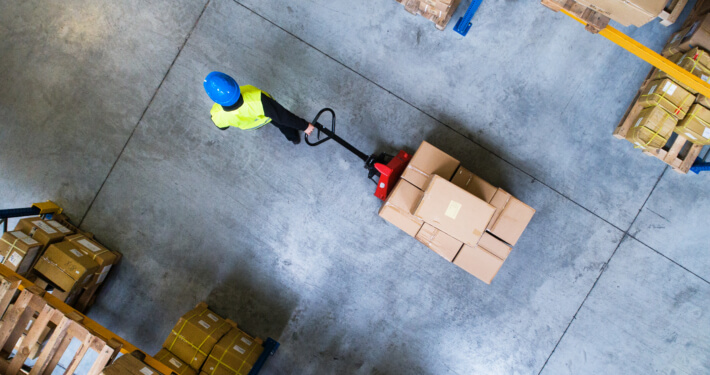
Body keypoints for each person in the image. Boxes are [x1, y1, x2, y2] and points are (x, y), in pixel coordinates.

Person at [203, 72, 315, 144]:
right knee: (281, 123)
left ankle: (294, 139)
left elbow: (223, 127)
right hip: (266, 116)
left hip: (252, 125)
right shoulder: (258, 100)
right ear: (234, 85)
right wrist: (304, 126)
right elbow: (283, 116)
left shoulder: (216, 114)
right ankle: (293, 137)